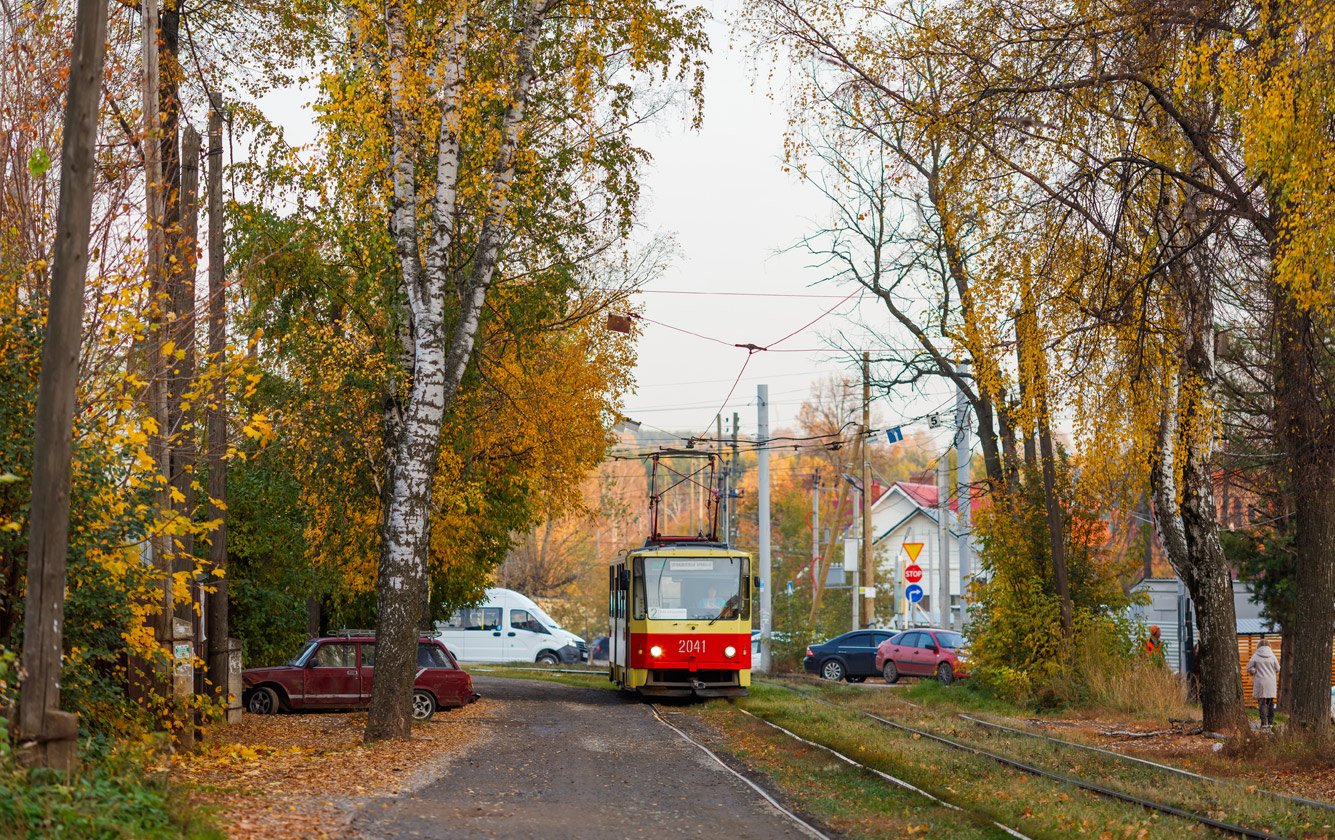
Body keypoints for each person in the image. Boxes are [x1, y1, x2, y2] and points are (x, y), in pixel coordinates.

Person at [1246, 638, 1279, 729]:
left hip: (1260, 681)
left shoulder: (1255, 656)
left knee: (1262, 702)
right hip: (1271, 682)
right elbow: (1278, 668)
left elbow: (1248, 667)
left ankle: (1263, 723)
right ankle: (1270, 722)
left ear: (1258, 646)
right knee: (1270, 702)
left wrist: (1254, 671)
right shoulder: (1272, 656)